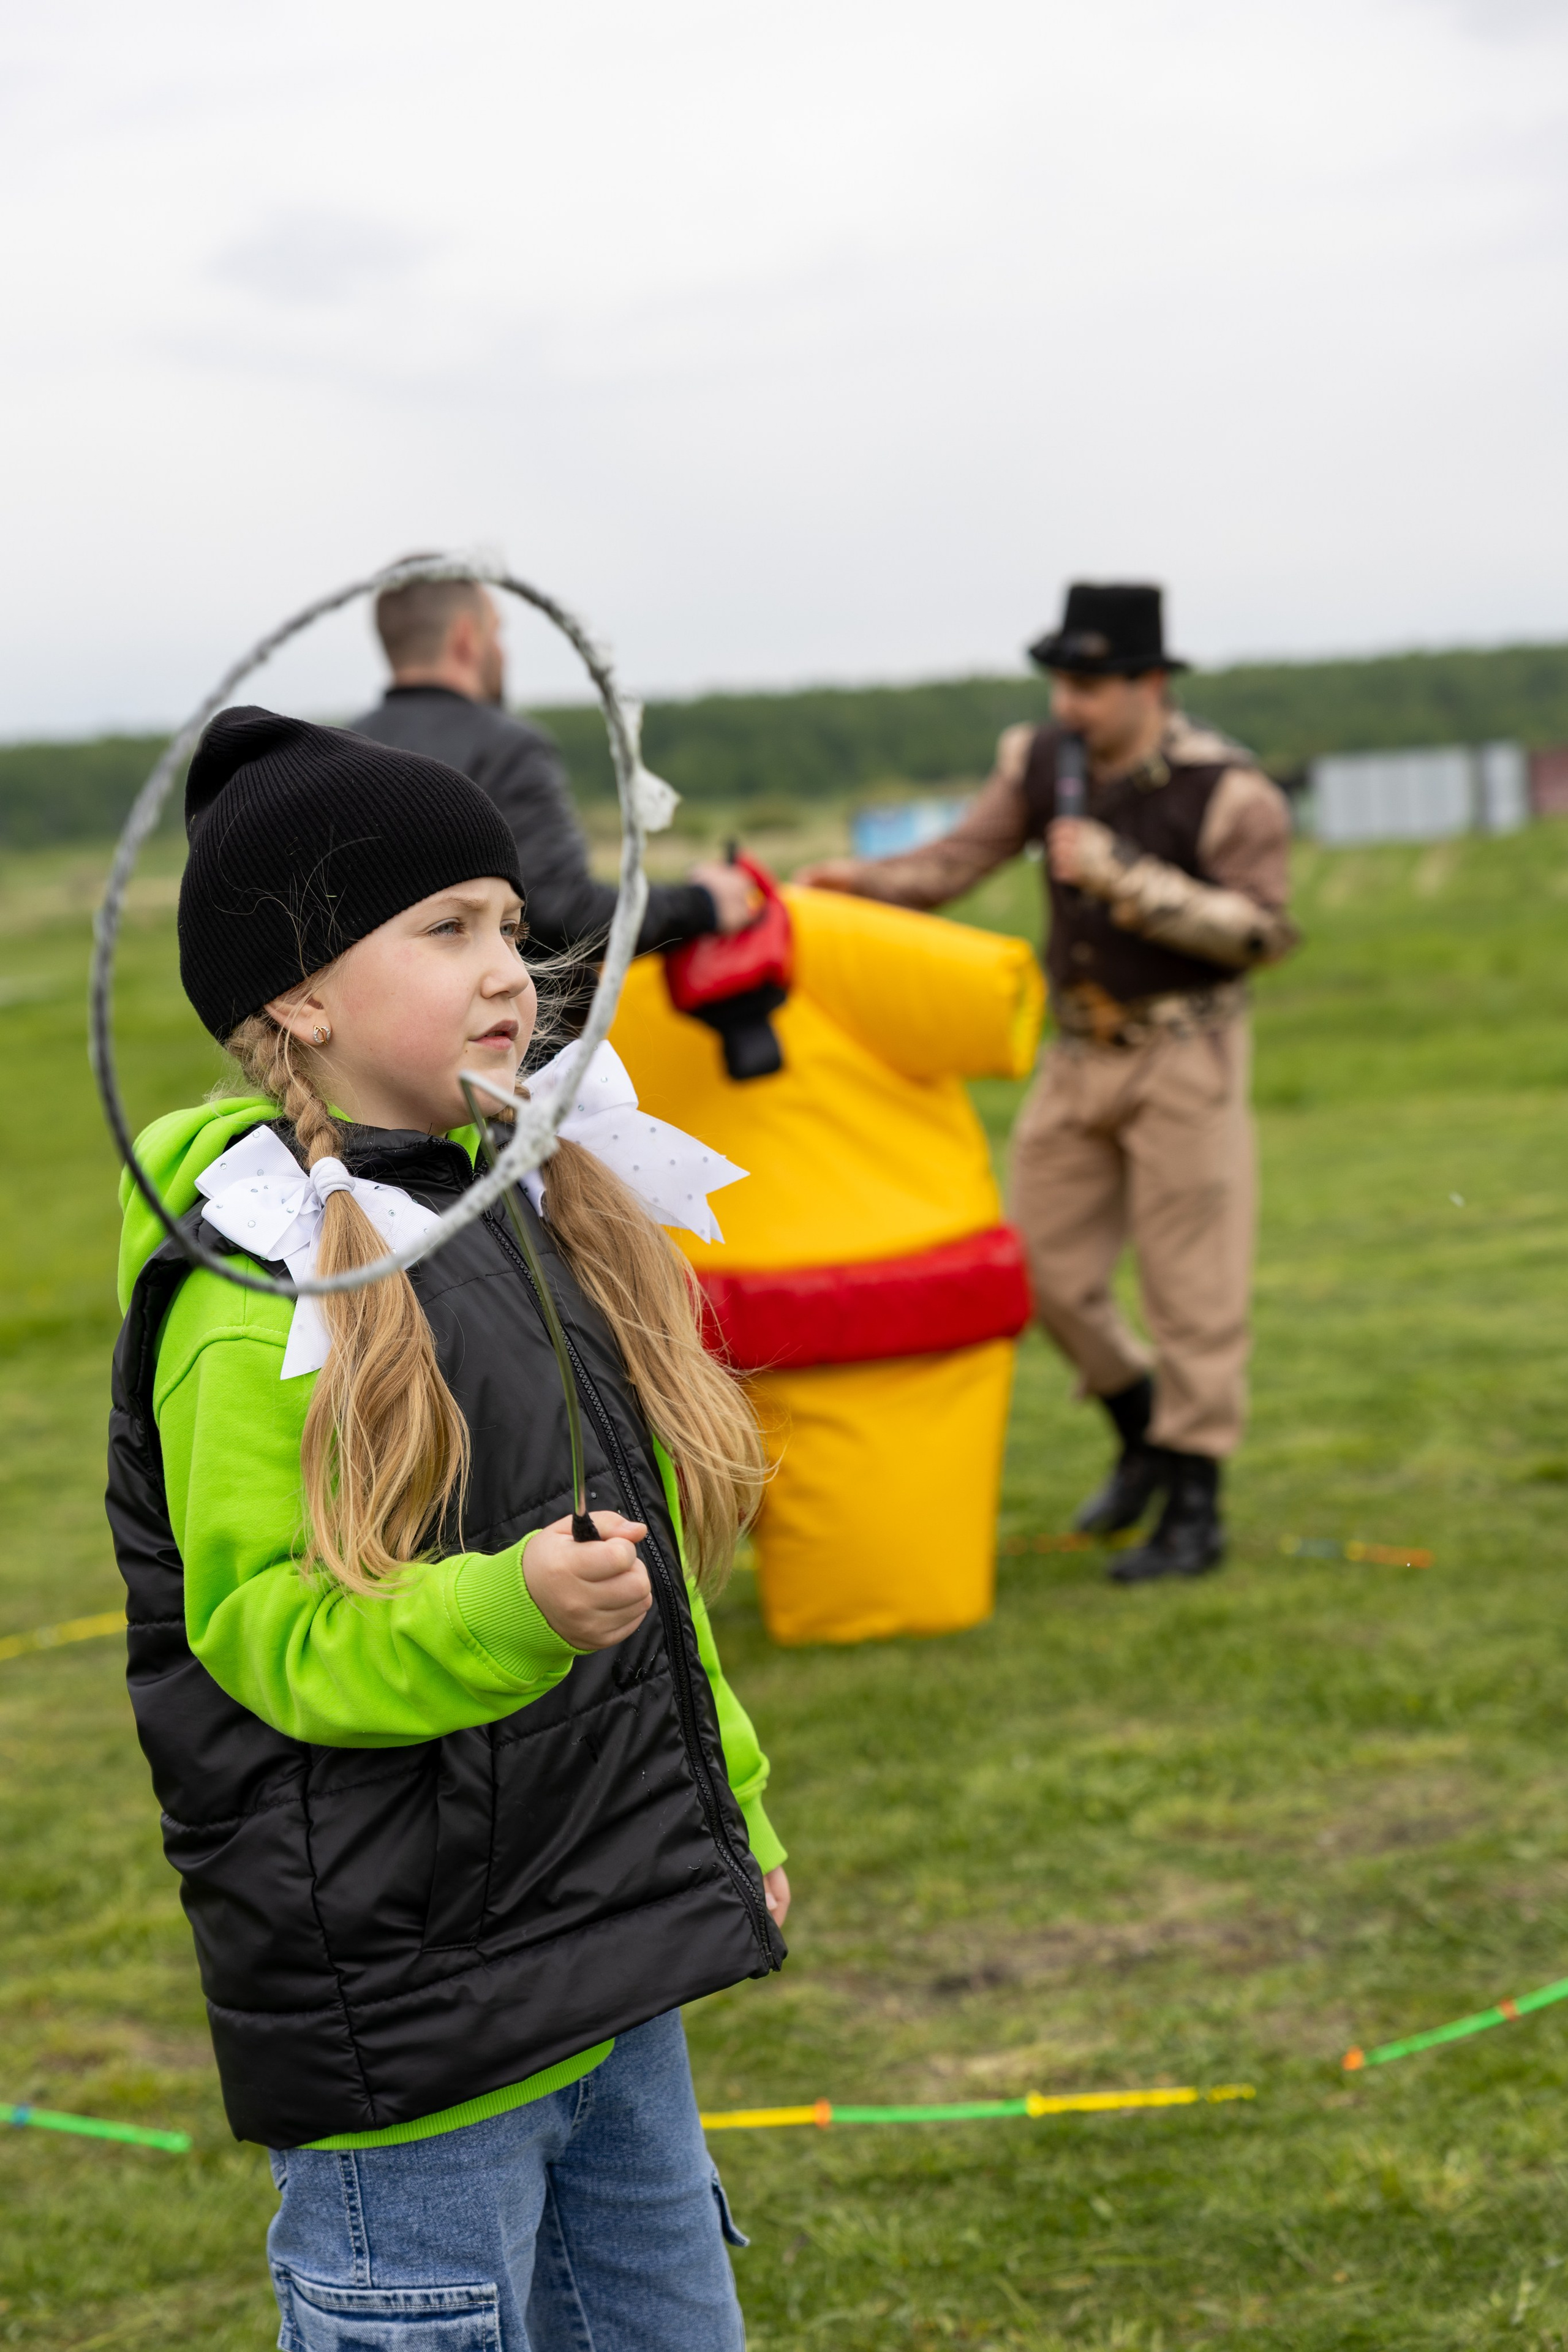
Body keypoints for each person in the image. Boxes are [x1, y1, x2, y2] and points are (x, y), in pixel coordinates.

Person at [107, 707, 788, 2349]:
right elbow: (265, 1633)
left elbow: (650, 1597)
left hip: (615, 1957)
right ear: (299, 998)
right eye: (446, 929)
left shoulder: (513, 1200)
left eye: (508, 923)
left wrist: (735, 1828)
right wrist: (510, 1615)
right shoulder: (259, 1277)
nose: (512, 965)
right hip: (414, 2033)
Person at [799, 582, 1298, 1585]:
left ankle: (1195, 1506)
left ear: (1150, 682)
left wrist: (1124, 875)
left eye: (1092, 684)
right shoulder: (1038, 761)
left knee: (1191, 1291)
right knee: (1040, 1274)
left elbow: (1263, 933)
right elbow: (952, 864)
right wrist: (848, 885)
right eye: (1062, 681)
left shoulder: (1229, 790)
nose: (1069, 703)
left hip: (1186, 1053)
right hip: (1075, 1055)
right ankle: (1144, 1435)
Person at [351, 564, 756, 954]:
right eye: (497, 632)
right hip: (503, 1020)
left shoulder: (343, 752)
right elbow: (560, 911)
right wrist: (703, 903)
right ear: (466, 638)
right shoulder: (508, 746)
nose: (501, 651)